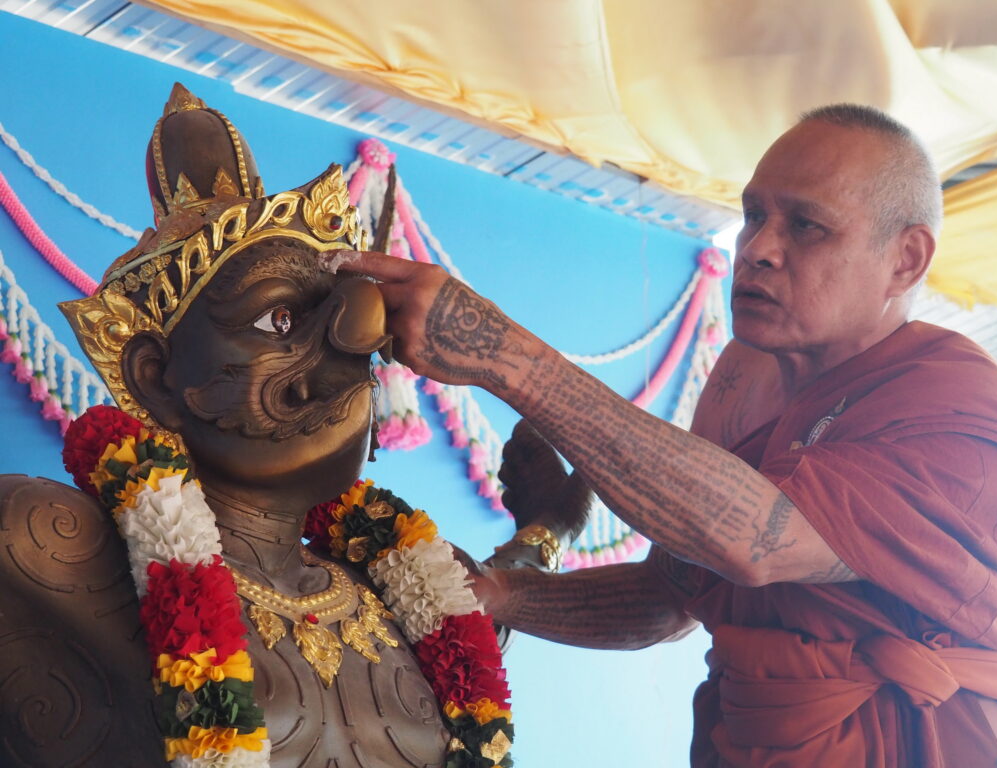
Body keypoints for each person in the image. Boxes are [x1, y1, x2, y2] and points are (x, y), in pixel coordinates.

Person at [340, 105, 997, 766]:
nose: (756, 250)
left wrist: (503, 356)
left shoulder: (955, 403)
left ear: (905, 260)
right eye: (755, 215)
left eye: (808, 227)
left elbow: (759, 542)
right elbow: (674, 597)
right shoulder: (745, 372)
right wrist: (500, 594)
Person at [0, 84, 578, 767]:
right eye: (279, 319)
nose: (350, 343)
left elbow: (503, 582)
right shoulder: (45, 547)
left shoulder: (411, 588)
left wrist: (551, 528)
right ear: (157, 378)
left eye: (339, 313)